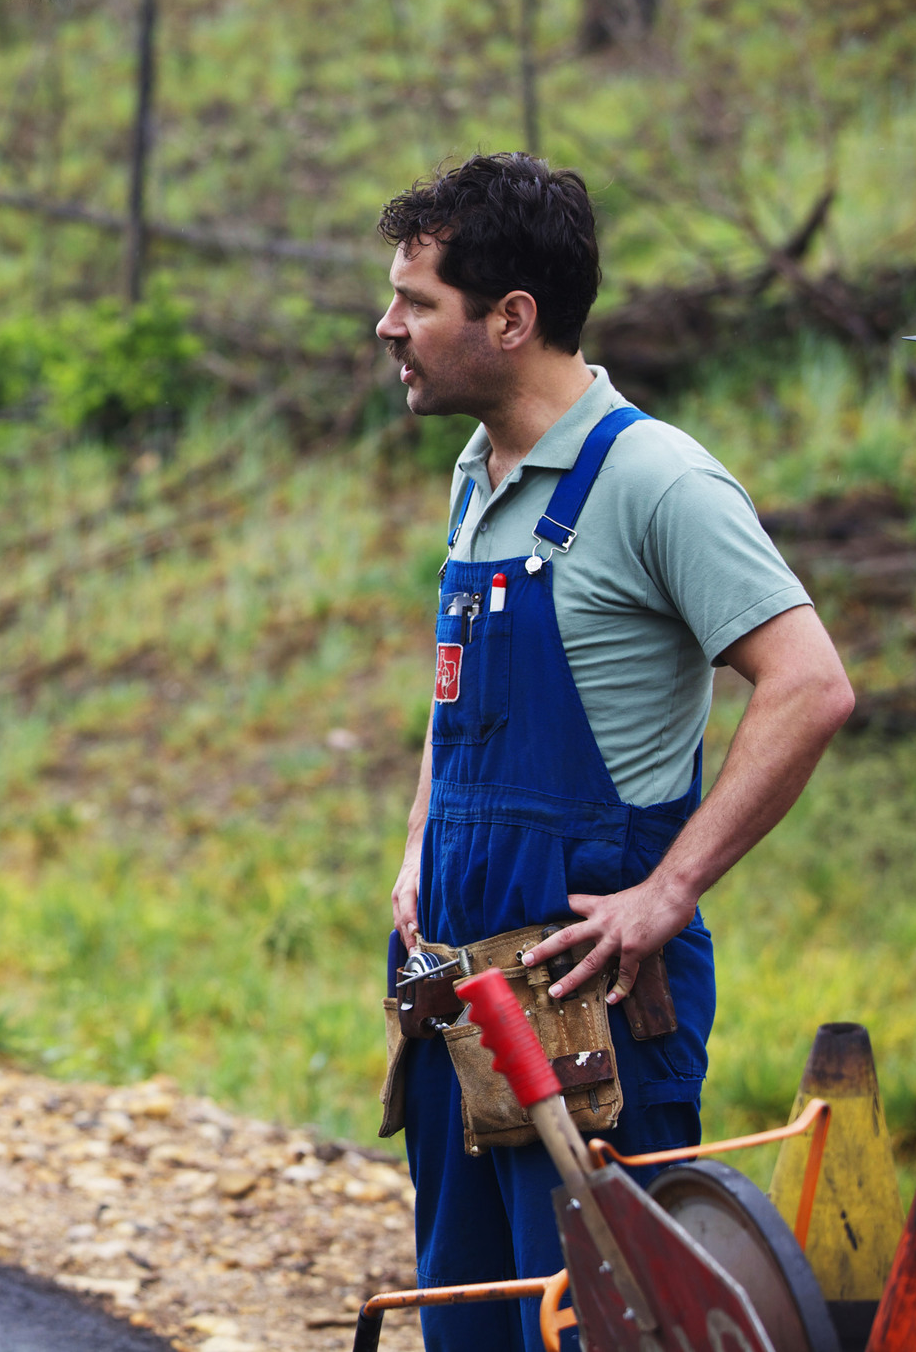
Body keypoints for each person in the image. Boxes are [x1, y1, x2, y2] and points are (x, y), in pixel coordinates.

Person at [373, 154, 852, 1351]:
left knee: (593, 1328)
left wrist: (666, 890)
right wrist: (419, 847)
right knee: (468, 1320)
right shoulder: (472, 476)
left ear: (510, 317)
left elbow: (808, 686)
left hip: (587, 1000)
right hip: (454, 993)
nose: (387, 327)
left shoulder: (655, 479)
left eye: (416, 302)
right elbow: (455, 700)